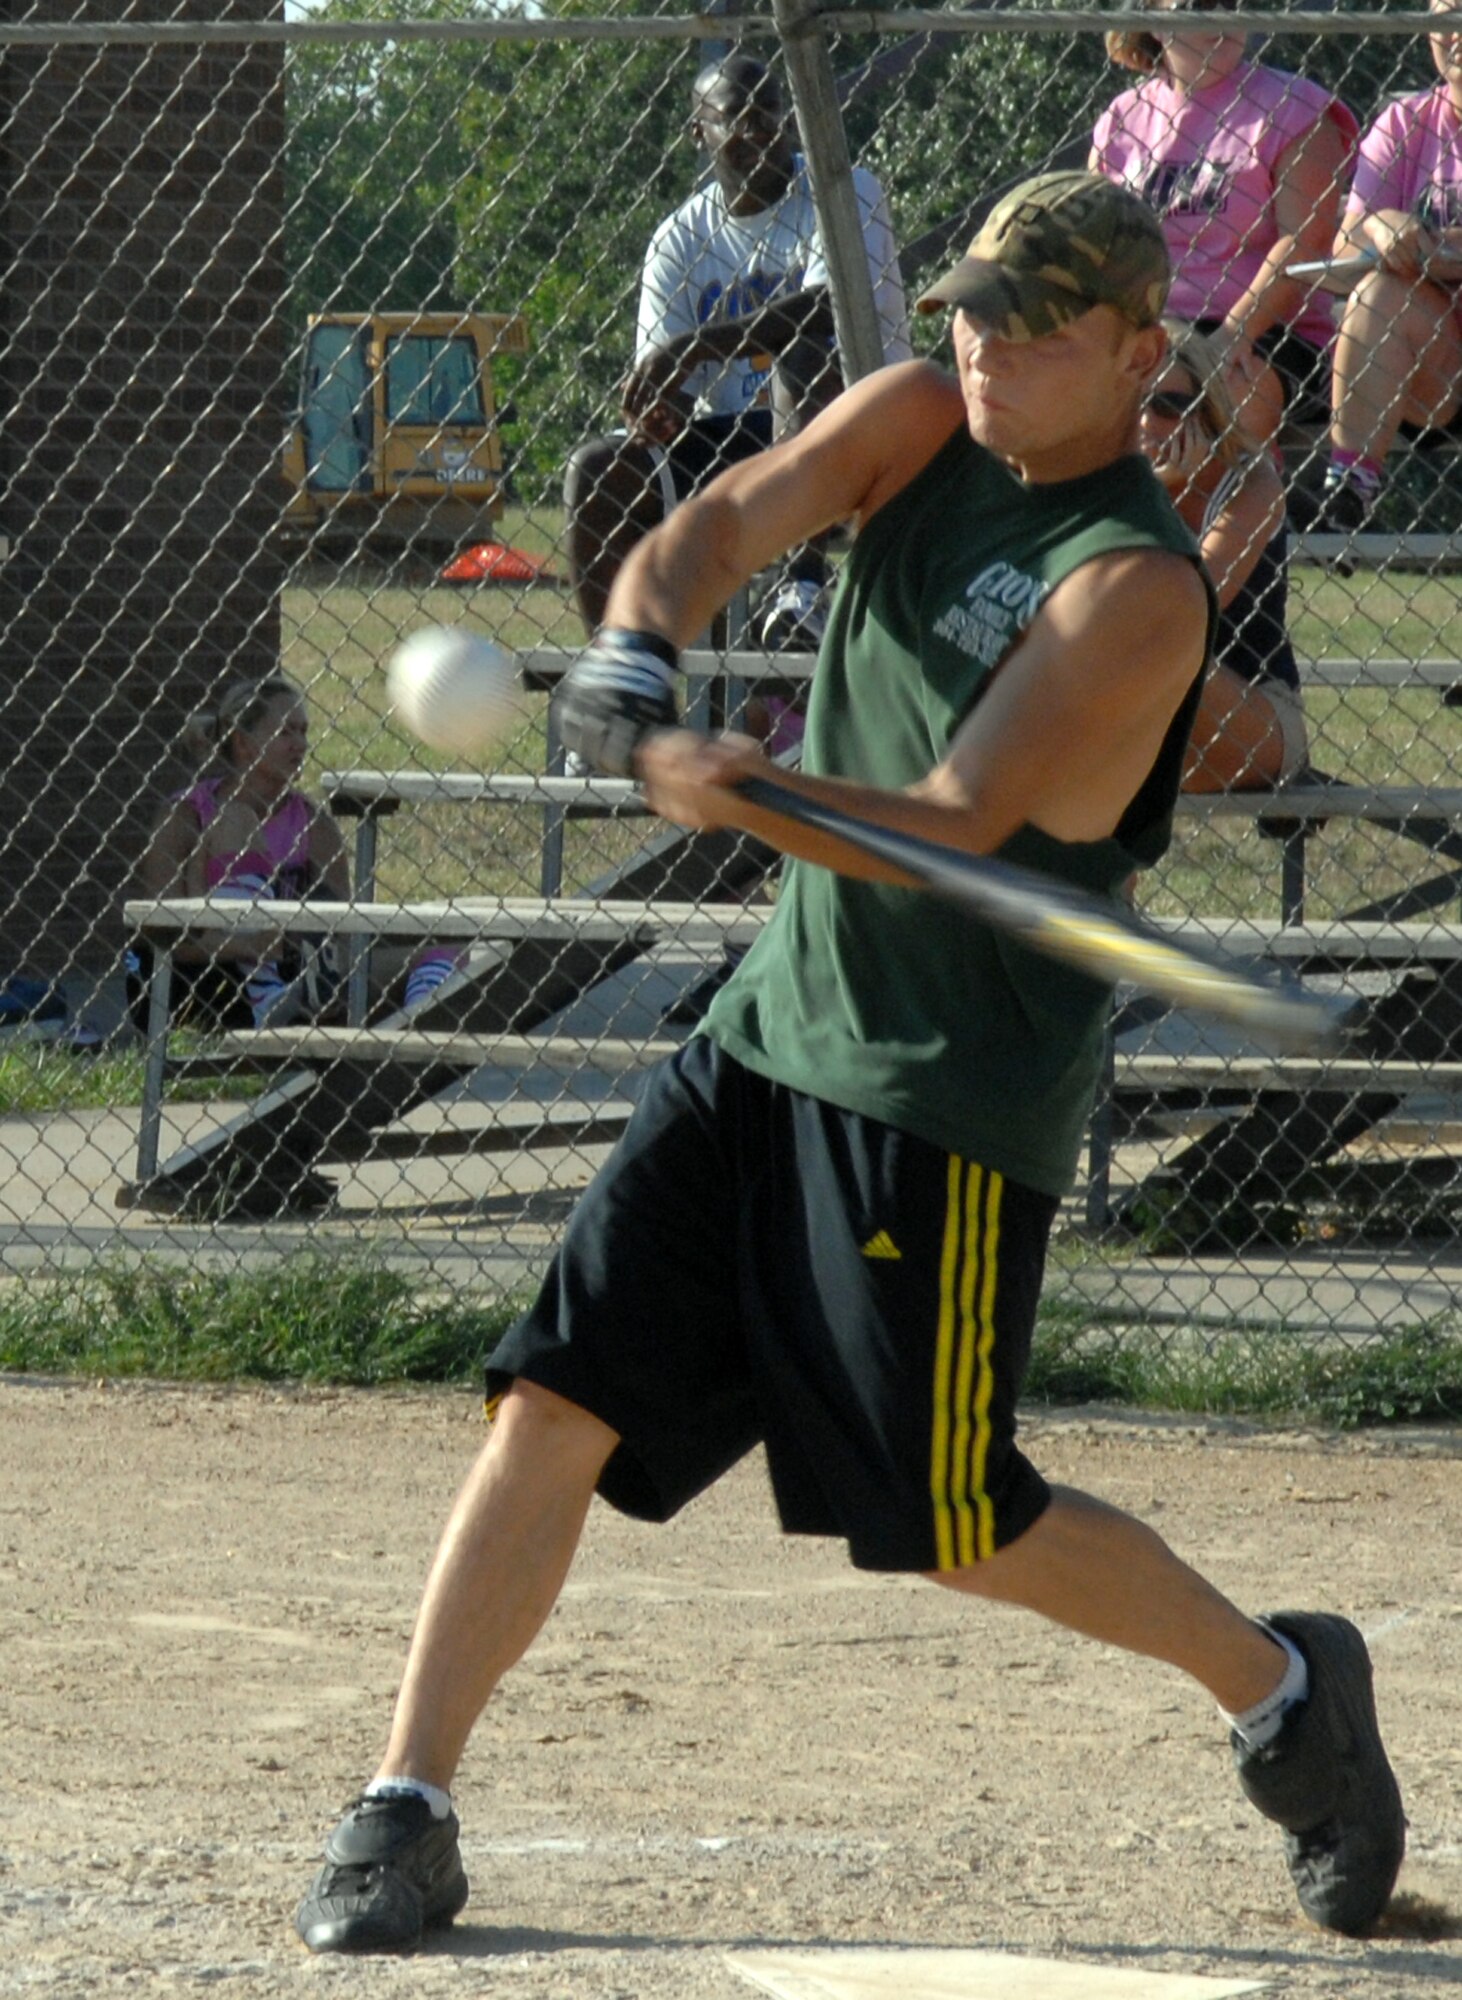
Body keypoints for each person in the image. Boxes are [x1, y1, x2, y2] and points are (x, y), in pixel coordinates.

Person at [294, 172, 1404, 1957]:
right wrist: (643, 639)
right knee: (553, 1396)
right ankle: (404, 1803)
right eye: (974, 304)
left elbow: (952, 816)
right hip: (767, 1036)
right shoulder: (911, 416)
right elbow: (724, 515)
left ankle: (1283, 1689)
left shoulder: (1132, 587)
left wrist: (739, 788)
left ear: (1134, 356)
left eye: (1040, 327)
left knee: (949, 1516)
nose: (988, 344)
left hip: (943, 1095)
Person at [563, 52, 911, 648]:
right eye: (736, 117)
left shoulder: (843, 188)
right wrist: (659, 405)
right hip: (733, 438)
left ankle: (800, 585)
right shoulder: (679, 239)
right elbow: (664, 371)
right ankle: (619, 676)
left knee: (802, 351)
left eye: (769, 111)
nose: (758, 130)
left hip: (848, 426)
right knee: (595, 470)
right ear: (700, 133)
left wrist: (699, 345)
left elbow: (828, 305)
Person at [1090, 0, 1356, 450]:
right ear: (1154, 19)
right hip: (1150, 325)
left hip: (1264, 331)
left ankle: (1248, 512)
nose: (1221, 17)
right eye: (1198, 5)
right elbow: (1097, 246)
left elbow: (1304, 241)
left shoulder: (1292, 107)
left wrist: (1233, 335)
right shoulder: (1122, 119)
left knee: (1231, 393)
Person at [1313, 0, 1462, 533]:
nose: (1455, 32)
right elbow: (1349, 241)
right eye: (1445, 15)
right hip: (1440, 361)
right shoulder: (1407, 121)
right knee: (1377, 292)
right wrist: (1383, 227)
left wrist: (1432, 247)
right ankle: (1348, 489)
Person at [1141, 318, 1308, 789]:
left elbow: (1189, 609)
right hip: (1141, 712)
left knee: (1153, 647)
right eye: (1133, 403)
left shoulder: (1252, 484)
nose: (1146, 422)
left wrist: (1153, 500)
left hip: (1253, 714)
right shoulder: (1112, 482)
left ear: (1207, 410)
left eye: (1168, 405)